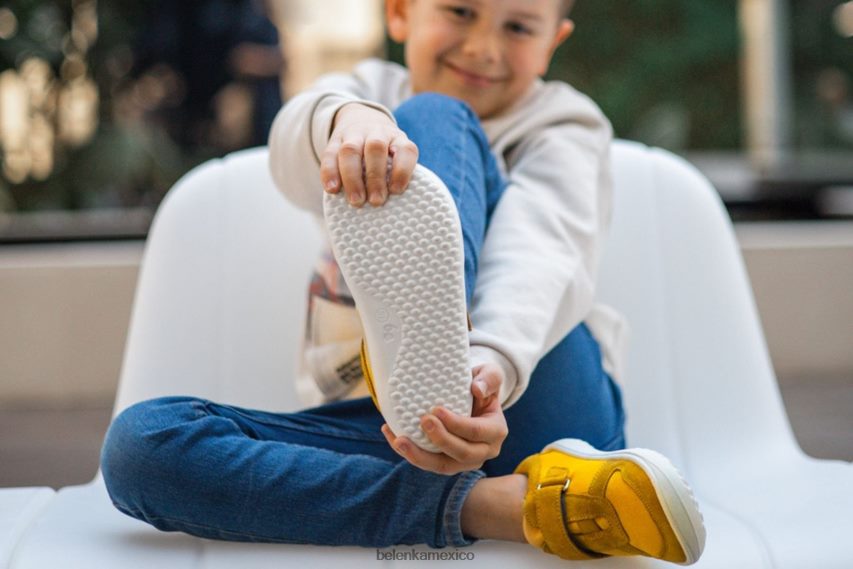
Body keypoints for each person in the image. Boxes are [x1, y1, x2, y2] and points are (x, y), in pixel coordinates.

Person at [100, 0, 706, 564]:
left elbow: (542, 249)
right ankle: (508, 507)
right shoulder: (361, 93)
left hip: (543, 410)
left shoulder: (565, 124)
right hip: (401, 435)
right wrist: (347, 121)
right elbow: (288, 156)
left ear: (553, 43)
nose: (483, 47)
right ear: (399, 12)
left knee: (438, 116)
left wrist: (485, 369)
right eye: (460, 12)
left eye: (519, 27)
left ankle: (444, 371)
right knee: (142, 446)